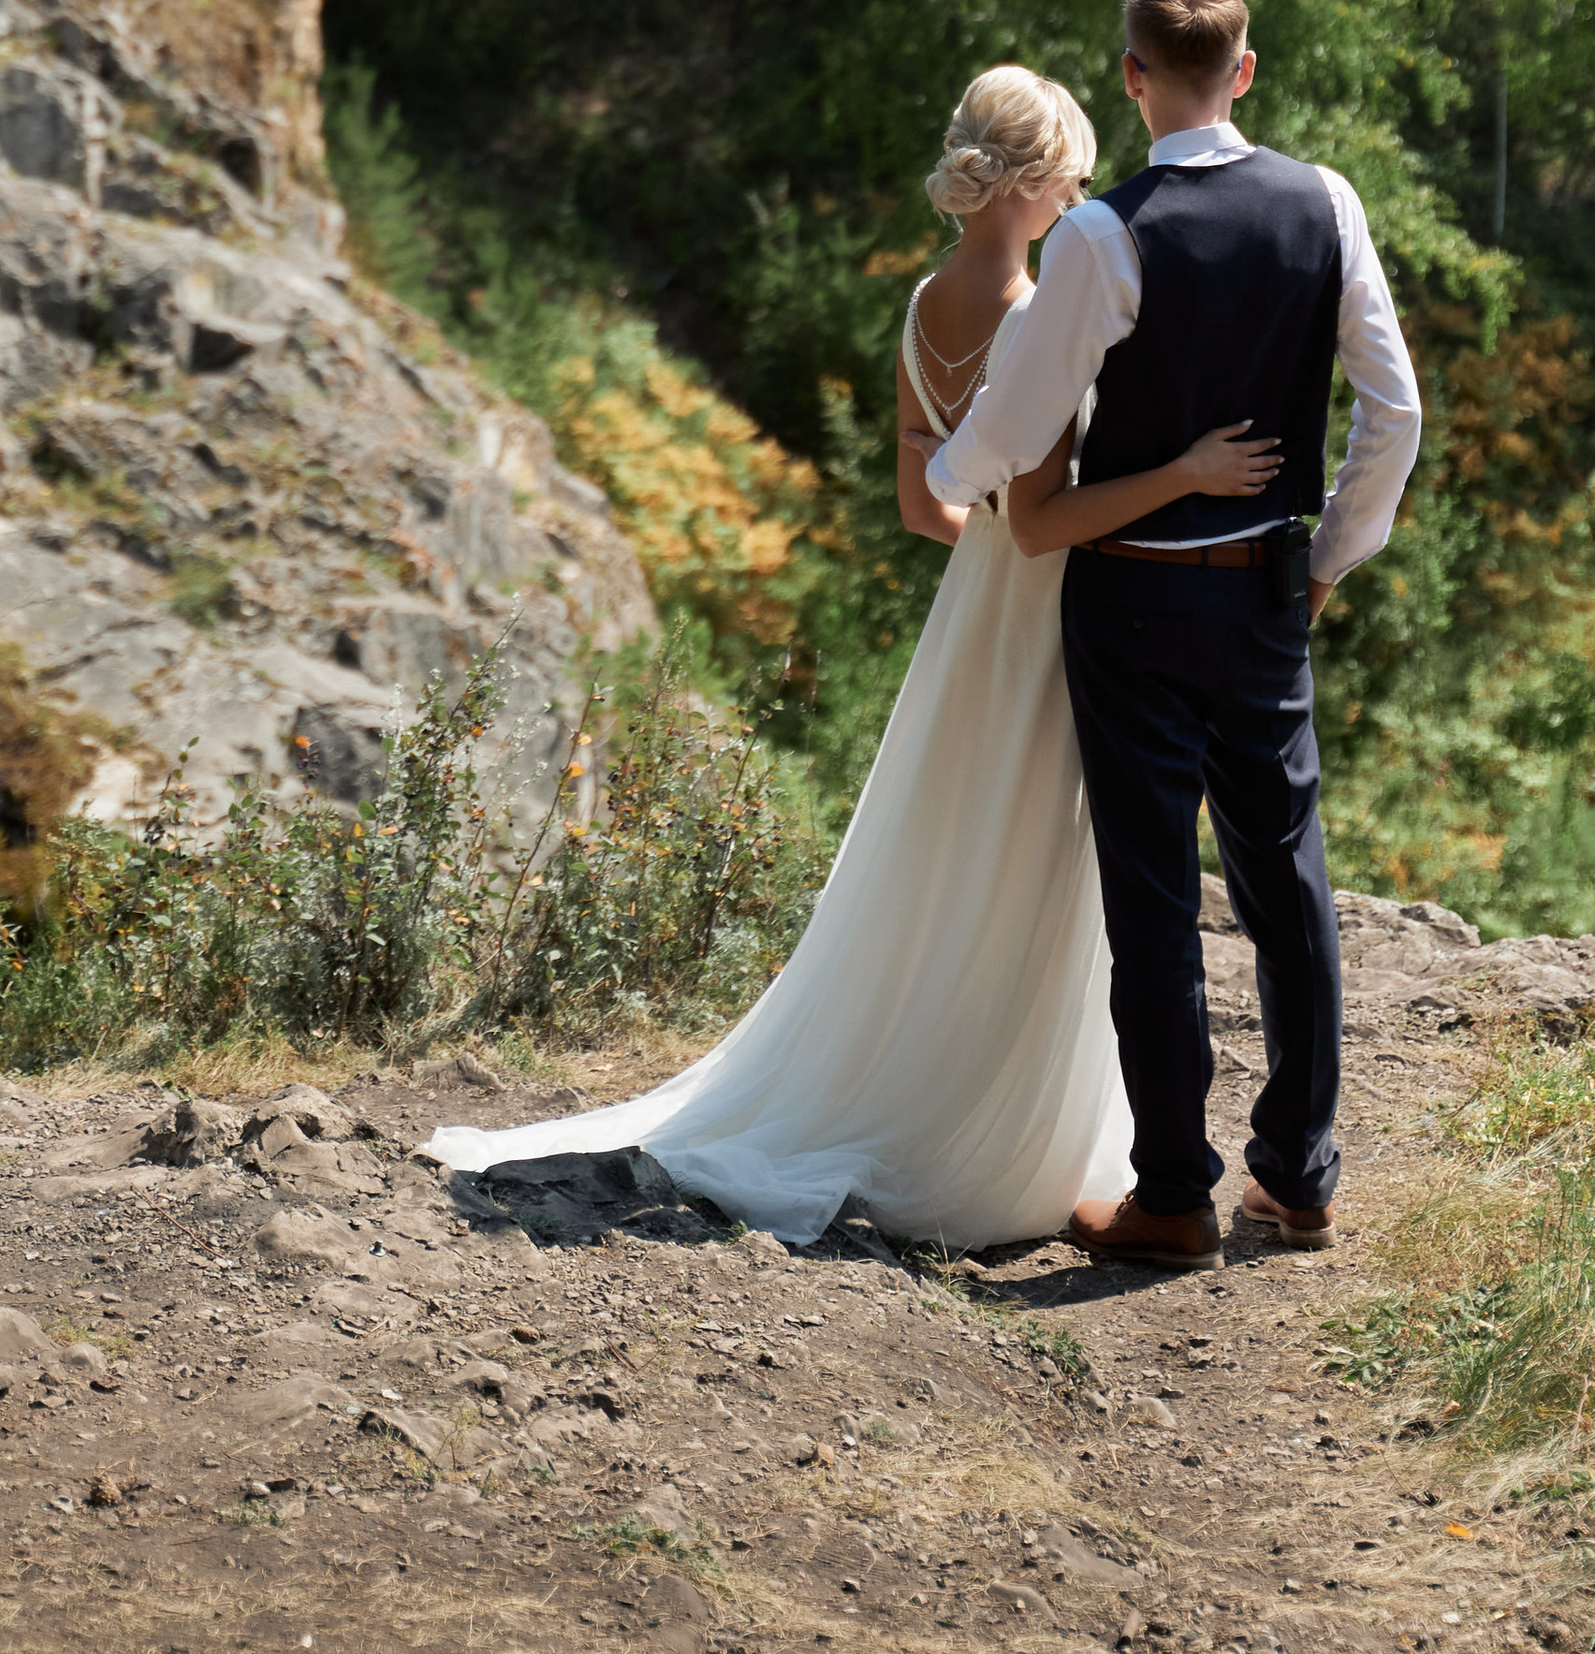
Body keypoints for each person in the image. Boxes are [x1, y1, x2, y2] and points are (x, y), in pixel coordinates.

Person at [422, 63, 1277, 1246]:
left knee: (957, 852)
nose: (1085, 204)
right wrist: (1179, 481)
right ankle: (995, 1125)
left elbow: (931, 507)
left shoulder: (928, 305)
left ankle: (939, 1075)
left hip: (972, 609)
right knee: (1032, 861)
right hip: (1047, 611)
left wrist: (993, 518)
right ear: (1029, 187)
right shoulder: (1039, 318)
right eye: (1074, 181)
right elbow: (1040, 518)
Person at [924, 0, 1422, 1274]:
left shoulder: (1101, 235)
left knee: (1152, 896)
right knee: (1286, 874)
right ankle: (1300, 1178)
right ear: (1244, 71)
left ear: (1135, 77)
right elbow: (1398, 410)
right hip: (1266, 589)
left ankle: (1171, 1197)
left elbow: (1016, 431)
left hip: (1136, 598)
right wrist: (1328, 559)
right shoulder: (1328, 202)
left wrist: (941, 473)